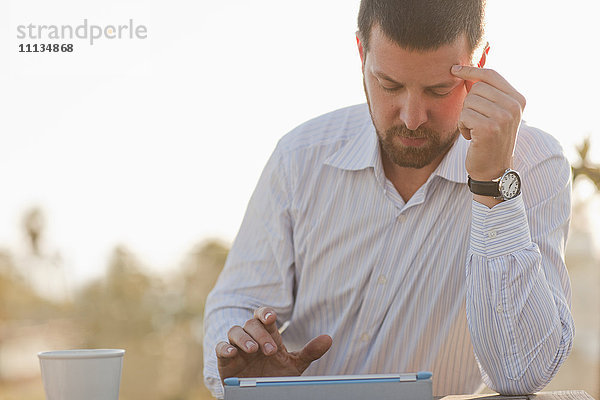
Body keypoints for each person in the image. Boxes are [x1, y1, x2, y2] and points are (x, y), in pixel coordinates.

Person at [203, 1, 574, 398]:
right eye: (390, 85)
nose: (412, 117)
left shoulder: (532, 166)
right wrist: (246, 372)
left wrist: (492, 182)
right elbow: (239, 302)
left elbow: (521, 373)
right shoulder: (299, 158)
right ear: (362, 54)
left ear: (480, 65)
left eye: (438, 89)